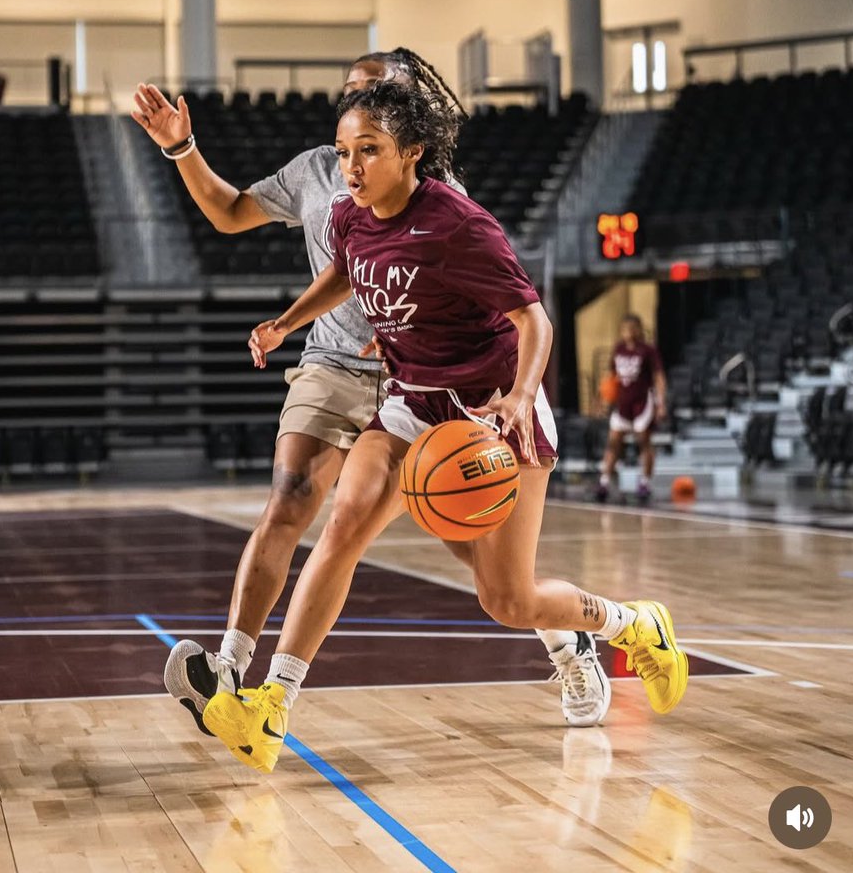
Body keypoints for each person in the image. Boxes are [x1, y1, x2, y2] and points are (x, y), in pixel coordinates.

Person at [201, 80, 688, 773]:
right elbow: (348, 272)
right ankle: (271, 706)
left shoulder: (459, 224)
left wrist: (520, 397)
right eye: (342, 153)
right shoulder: (350, 215)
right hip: (410, 401)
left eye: (368, 152)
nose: (351, 169)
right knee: (342, 526)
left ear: (412, 152)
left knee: (507, 598)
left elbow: (533, 319)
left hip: (491, 409)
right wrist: (286, 322)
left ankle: (631, 624)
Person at [131, 49, 610, 730]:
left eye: (379, 96)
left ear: (409, 128)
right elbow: (252, 222)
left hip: (440, 379)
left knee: (481, 558)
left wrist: (431, 343)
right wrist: (183, 150)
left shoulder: (445, 203)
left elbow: (509, 311)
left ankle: (568, 635)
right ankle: (243, 680)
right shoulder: (322, 176)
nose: (357, 134)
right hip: (344, 367)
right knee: (301, 502)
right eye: (353, 99)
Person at [597, 314, 668, 506]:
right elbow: (611, 377)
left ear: (638, 329)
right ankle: (603, 482)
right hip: (622, 403)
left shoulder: (648, 350)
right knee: (613, 442)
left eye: (631, 327)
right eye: (625, 327)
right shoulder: (618, 349)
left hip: (642, 402)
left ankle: (644, 482)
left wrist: (661, 403)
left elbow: (659, 376)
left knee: (644, 442)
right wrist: (603, 400)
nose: (628, 331)